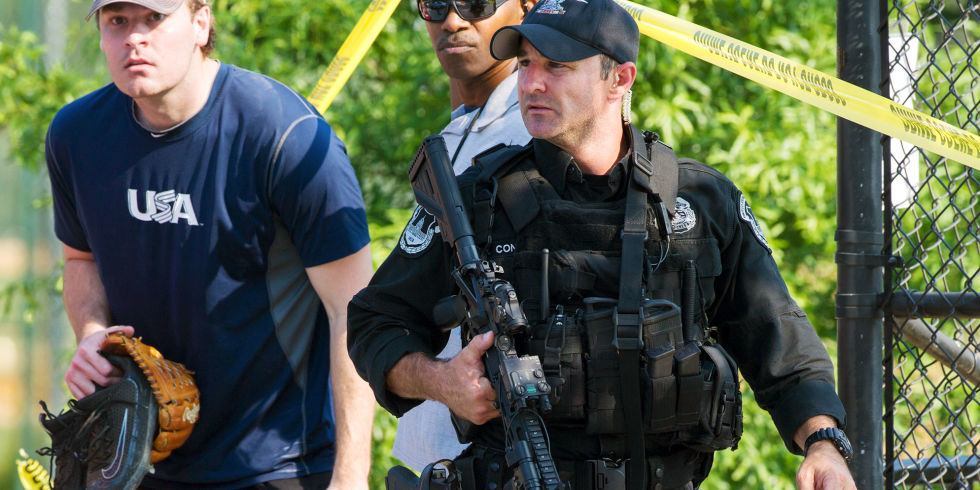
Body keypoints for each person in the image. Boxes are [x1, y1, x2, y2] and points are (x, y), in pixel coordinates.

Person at [348, 0, 858, 488]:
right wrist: (442, 382)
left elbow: (779, 340)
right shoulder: (476, 200)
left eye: (557, 66)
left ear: (619, 79)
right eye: (525, 64)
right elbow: (374, 322)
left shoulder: (699, 202)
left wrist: (824, 446)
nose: (531, 83)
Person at [44, 0, 374, 488]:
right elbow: (80, 259)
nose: (134, 37)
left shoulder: (285, 135)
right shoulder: (77, 135)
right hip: (139, 459)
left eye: (155, 18)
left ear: (201, 22)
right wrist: (93, 334)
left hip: (280, 465)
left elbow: (355, 309)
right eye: (117, 21)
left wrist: (351, 476)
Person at [391, 0, 535, 471]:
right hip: (432, 462)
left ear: (527, 7)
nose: (452, 21)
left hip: (509, 465)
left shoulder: (536, 131)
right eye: (435, 5)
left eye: (475, 3)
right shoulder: (457, 132)